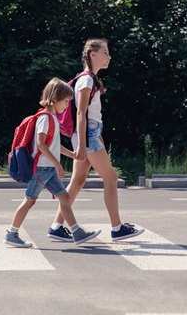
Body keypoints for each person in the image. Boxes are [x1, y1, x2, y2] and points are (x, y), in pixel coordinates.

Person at [46, 38, 145, 242]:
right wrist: (83, 144)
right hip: (86, 135)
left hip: (89, 134)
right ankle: (117, 228)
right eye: (105, 53)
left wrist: (93, 137)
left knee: (78, 180)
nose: (109, 57)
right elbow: (81, 113)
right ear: (93, 54)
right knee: (111, 179)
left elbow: (89, 115)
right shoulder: (87, 80)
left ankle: (56, 227)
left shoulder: (90, 80)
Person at [4, 77, 101, 248]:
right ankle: (12, 233)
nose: (66, 105)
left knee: (64, 197)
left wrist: (71, 154)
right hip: (42, 168)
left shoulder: (52, 118)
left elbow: (53, 144)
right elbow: (41, 144)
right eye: (65, 101)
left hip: (46, 168)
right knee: (29, 201)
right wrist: (57, 164)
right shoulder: (45, 118)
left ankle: (77, 232)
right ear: (55, 98)